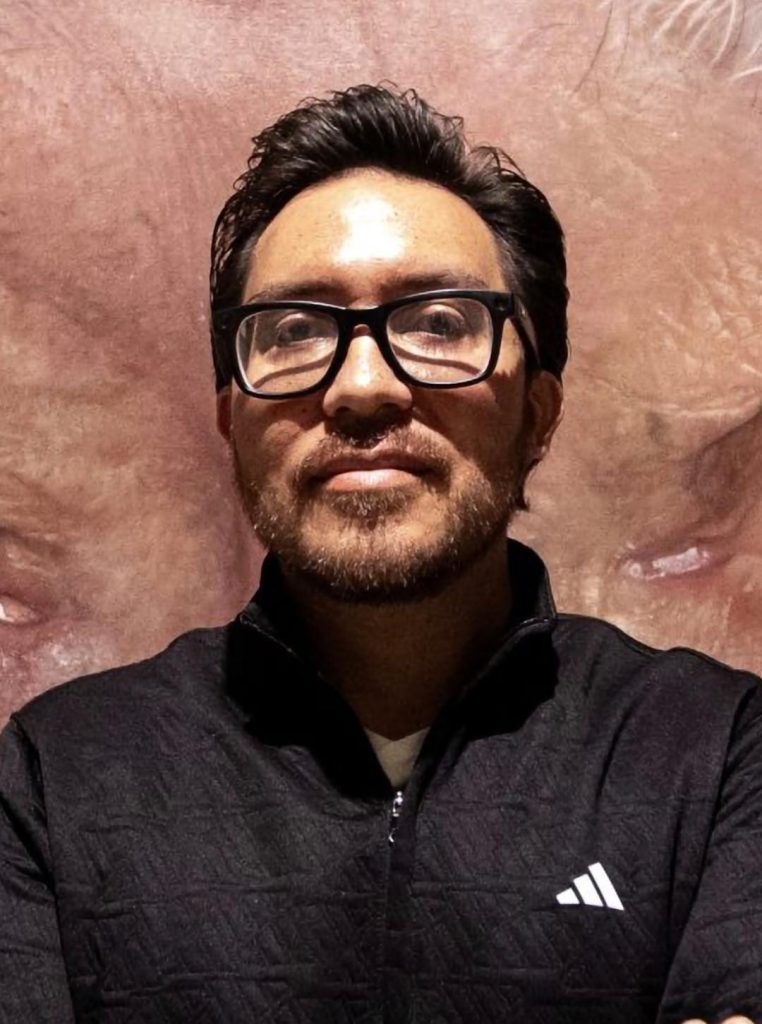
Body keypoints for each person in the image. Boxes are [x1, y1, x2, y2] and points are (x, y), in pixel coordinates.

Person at [1, 84, 760, 1023]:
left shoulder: (714, 753)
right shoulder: (58, 776)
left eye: (438, 323)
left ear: (539, 413)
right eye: (294, 331)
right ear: (231, 418)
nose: (363, 386)